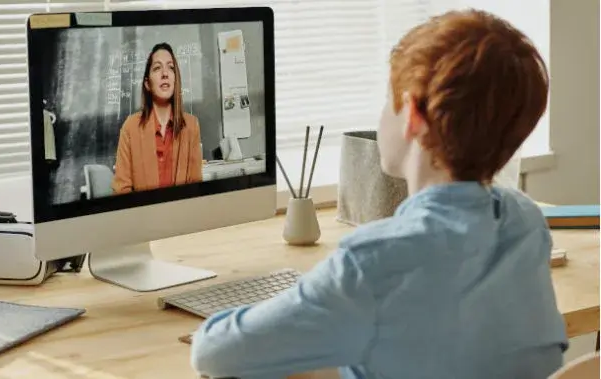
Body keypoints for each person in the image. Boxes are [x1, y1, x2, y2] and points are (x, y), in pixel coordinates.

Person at [190, 9, 567, 379]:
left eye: (389, 99)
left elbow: (214, 353)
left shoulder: (374, 262)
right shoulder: (525, 222)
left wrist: (293, 305)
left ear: (414, 117)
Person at [112, 42, 203, 194]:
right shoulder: (130, 127)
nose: (165, 73)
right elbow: (122, 191)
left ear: (176, 80)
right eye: (157, 68)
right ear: (147, 83)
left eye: (171, 67)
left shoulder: (191, 126)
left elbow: (196, 188)